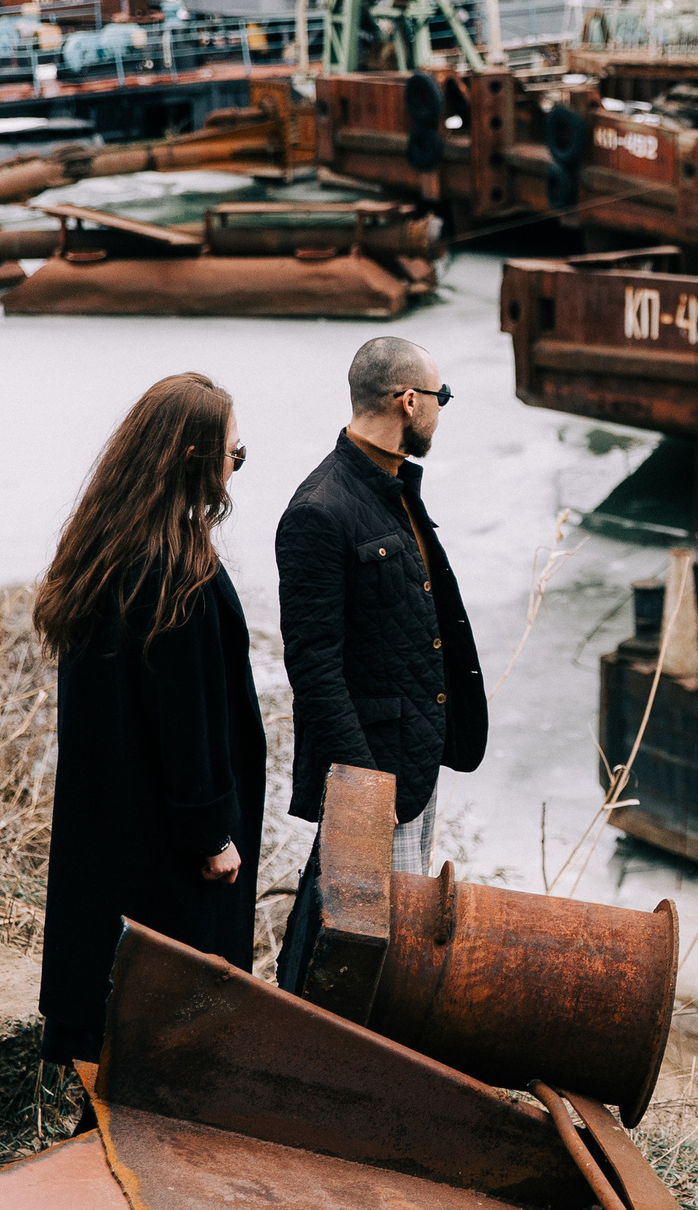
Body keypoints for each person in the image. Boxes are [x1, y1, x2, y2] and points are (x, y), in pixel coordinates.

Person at [32, 373, 264, 1065]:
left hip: (106, 822)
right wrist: (211, 835)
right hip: (171, 847)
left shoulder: (100, 549)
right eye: (234, 453)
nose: (233, 467)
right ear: (196, 458)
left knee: (108, 1001)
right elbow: (189, 720)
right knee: (170, 1016)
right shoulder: (178, 573)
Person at [274, 336, 487, 994]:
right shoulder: (318, 510)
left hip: (414, 762)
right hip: (377, 776)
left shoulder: (392, 486)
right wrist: (365, 790)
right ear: (408, 399)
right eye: (440, 398)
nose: (440, 411)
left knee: (377, 933)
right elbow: (312, 664)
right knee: (367, 948)